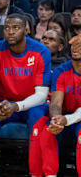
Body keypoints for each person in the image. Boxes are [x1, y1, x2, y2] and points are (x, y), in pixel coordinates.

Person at [0, 14, 50, 177]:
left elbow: (42, 95)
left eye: (16, 28)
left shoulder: (41, 51)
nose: (10, 32)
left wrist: (17, 106)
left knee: (38, 115)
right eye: (7, 28)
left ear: (26, 30)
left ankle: (36, 172)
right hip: (4, 104)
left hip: (31, 105)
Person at [36, 39, 81, 176]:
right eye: (74, 44)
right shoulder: (61, 70)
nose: (76, 48)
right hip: (65, 118)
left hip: (74, 120)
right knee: (47, 131)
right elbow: (55, 103)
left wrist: (66, 120)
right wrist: (56, 119)